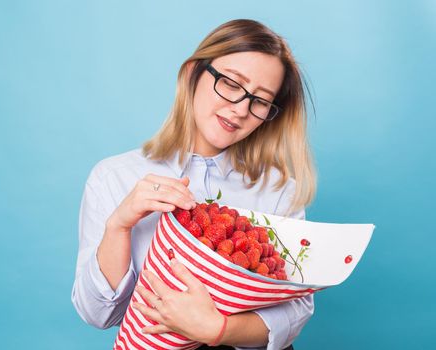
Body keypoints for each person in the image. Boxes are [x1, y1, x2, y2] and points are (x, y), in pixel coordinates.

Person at [71, 19, 317, 350]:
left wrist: (219, 330)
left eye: (260, 101)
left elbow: (296, 307)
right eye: (231, 83)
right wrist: (119, 226)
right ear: (192, 74)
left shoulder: (277, 189)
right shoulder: (114, 176)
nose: (241, 109)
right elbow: (98, 315)